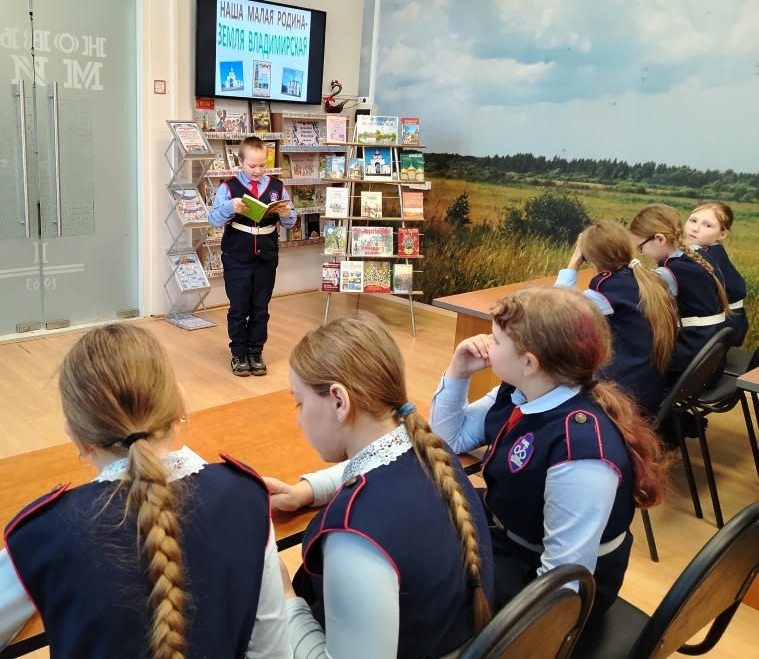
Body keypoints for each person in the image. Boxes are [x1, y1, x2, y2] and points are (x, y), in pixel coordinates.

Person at [0, 324, 291, 659]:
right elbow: (271, 652)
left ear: (77, 437)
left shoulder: (44, 536)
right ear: (180, 405)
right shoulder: (247, 498)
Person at [263, 312, 494, 659]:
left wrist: (282, 594)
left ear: (339, 401)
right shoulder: (431, 449)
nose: (298, 419)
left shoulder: (354, 538)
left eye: (300, 402)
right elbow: (374, 463)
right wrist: (306, 492)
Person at [430, 287, 667, 616]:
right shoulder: (523, 391)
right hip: (510, 530)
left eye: (496, 340)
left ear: (529, 362)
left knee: (426, 586)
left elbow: (562, 582)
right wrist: (458, 372)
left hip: (538, 575)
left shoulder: (580, 452)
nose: (485, 342)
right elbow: (448, 439)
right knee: (420, 524)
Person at [556, 221, 678, 413]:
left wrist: (575, 260)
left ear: (591, 258)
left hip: (624, 395)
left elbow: (558, 312)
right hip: (649, 385)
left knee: (557, 367)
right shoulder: (646, 278)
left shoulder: (606, 289)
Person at [210, 136, 297, 377]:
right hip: (237, 255)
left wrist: (287, 213)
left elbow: (290, 222)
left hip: (266, 257)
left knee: (261, 307)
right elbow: (214, 219)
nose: (257, 170)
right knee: (239, 307)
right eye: (252, 165)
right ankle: (239, 353)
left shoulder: (277, 187)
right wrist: (231, 207)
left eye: (262, 165)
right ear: (240, 161)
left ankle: (255, 351)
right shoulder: (228, 187)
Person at [630, 203, 731, 382]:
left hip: (690, 368)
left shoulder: (669, 273)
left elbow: (632, 298)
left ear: (660, 240)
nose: (642, 253)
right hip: (710, 359)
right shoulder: (697, 256)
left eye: (640, 247)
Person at [685, 201, 748, 347]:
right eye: (693, 220)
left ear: (722, 234)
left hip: (719, 329)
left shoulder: (705, 258)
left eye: (707, 225)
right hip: (727, 327)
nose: (695, 228)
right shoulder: (712, 252)